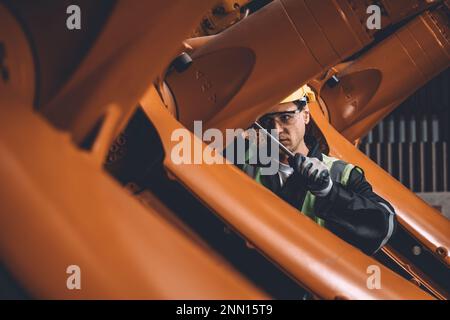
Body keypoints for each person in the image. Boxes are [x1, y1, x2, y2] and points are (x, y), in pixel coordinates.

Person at [237, 85, 396, 255]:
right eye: (267, 122)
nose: (276, 130)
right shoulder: (243, 164)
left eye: (285, 117)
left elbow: (384, 226)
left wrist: (330, 191)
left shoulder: (340, 174)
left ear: (305, 114)